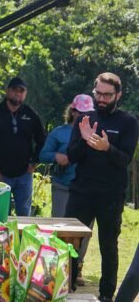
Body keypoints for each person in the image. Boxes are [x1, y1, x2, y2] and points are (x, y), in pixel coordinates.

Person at [66, 72, 138, 302]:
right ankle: (64, 288)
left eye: (107, 95)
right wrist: (87, 141)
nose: (102, 99)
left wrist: (106, 148)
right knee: (68, 243)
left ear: (118, 95)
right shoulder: (83, 119)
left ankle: (107, 294)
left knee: (108, 245)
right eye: (98, 93)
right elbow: (71, 155)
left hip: (111, 194)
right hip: (81, 191)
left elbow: (124, 159)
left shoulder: (128, 122)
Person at [39, 94, 94, 286]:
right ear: (73, 111)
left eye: (88, 113)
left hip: (87, 188)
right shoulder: (59, 133)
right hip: (63, 186)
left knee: (83, 231)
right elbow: (43, 155)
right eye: (81, 112)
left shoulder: (95, 133)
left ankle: (77, 268)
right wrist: (57, 156)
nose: (84, 116)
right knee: (61, 229)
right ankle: (58, 268)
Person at [0, 77, 46, 217]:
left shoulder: (31, 115)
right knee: (2, 218)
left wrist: (35, 162)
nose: (18, 94)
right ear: (7, 91)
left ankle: (21, 239)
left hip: (24, 174)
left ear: (25, 94)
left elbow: (42, 140)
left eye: (22, 91)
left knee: (24, 217)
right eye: (14, 90)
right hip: (0, 174)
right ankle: (2, 239)